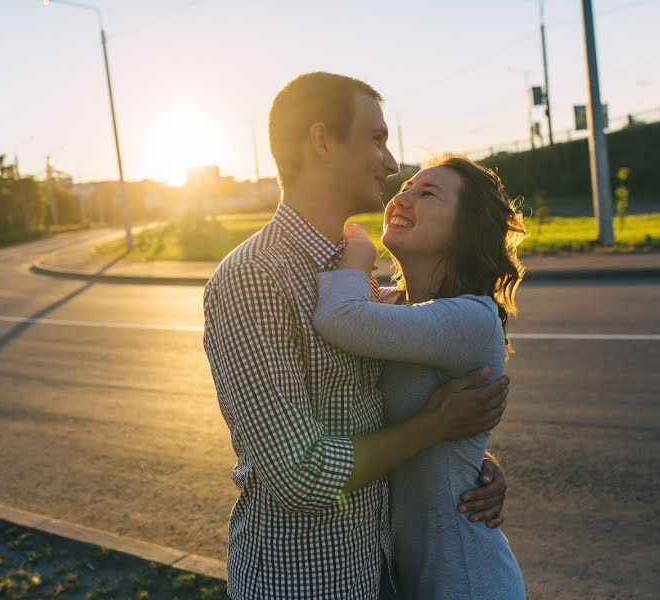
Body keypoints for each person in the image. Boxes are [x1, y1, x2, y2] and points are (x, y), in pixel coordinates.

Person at [202, 72, 510, 598]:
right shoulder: (254, 277)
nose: (391, 164)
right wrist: (435, 428)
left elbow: (379, 409)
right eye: (376, 139)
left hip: (381, 571)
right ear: (323, 141)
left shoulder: (357, 277)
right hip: (305, 583)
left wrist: (468, 461)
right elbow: (301, 474)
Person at [313, 154, 527, 598]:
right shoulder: (389, 305)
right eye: (407, 187)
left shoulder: (470, 317)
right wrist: (474, 460)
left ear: (465, 230)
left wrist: (357, 250)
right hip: (403, 576)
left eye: (427, 193)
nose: (403, 197)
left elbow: (339, 318)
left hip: (466, 579)